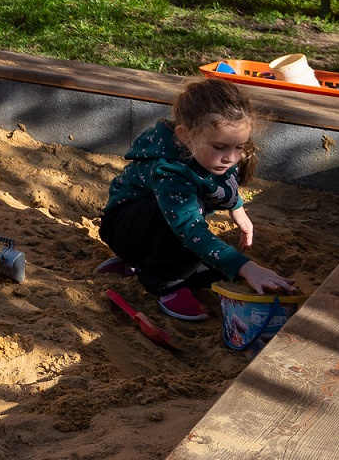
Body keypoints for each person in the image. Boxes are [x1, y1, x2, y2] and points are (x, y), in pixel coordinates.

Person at [99, 77, 299, 321]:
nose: (231, 158)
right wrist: (248, 267)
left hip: (156, 228)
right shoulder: (170, 172)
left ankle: (145, 264)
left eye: (239, 147)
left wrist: (237, 209)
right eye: (220, 147)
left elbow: (224, 182)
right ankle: (164, 283)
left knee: (212, 270)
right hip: (126, 230)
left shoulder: (213, 153)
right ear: (185, 136)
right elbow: (189, 229)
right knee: (188, 225)